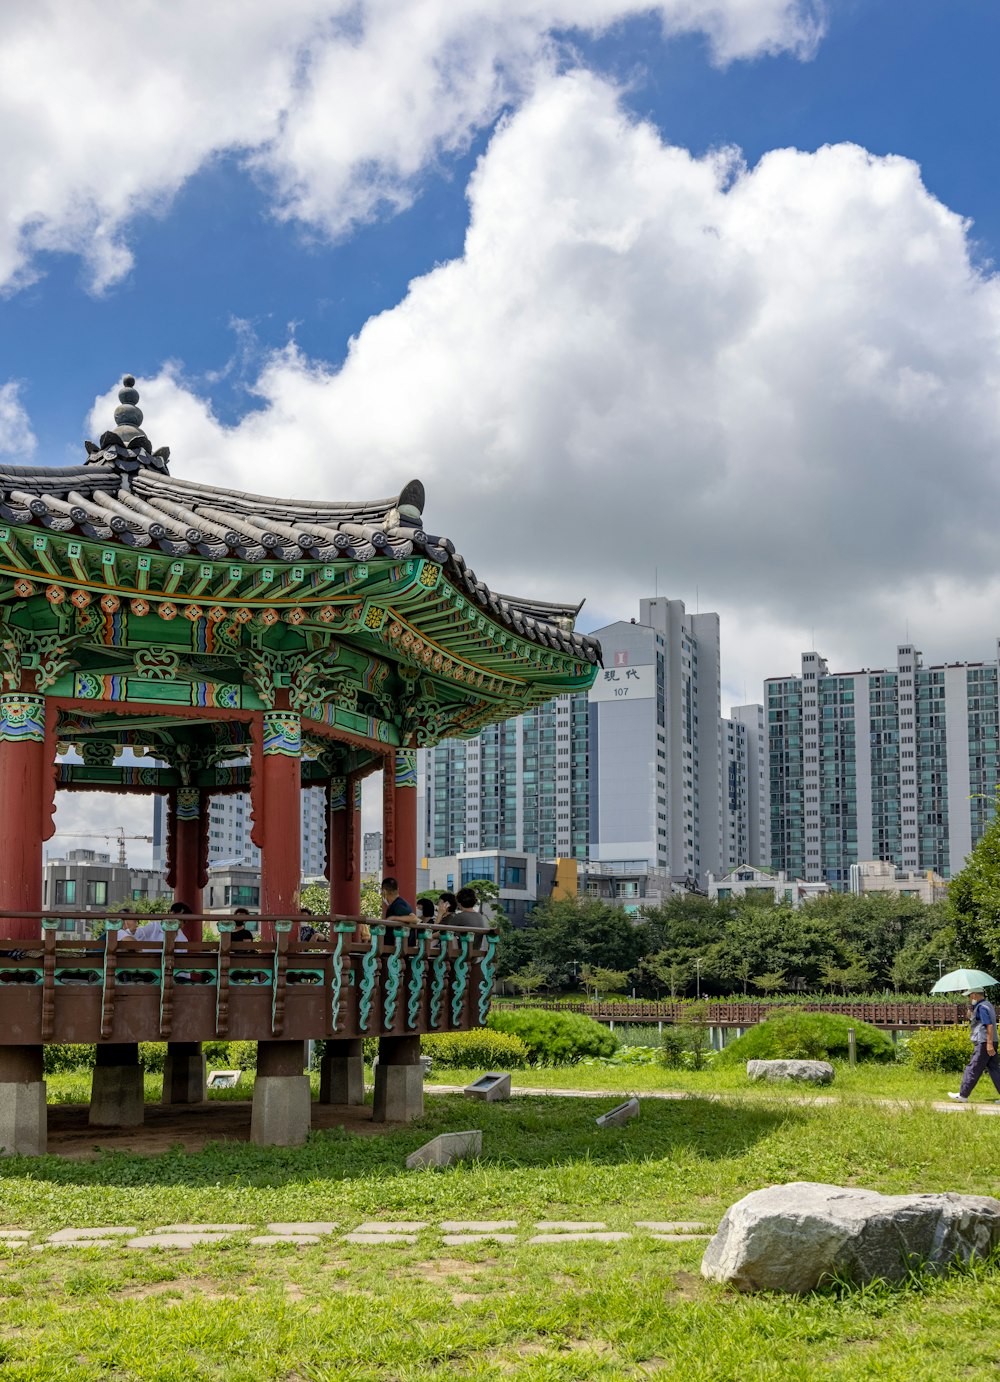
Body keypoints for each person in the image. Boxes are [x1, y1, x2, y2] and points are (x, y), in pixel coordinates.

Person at [949, 988, 1000, 1102]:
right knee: (994, 1069)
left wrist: (989, 1044)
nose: (969, 998)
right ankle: (963, 1094)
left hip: (984, 1042)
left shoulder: (981, 1007)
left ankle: (963, 1095)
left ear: (975, 995)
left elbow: (989, 1025)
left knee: (973, 1068)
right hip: (991, 1041)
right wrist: (971, 1013)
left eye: (969, 996)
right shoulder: (987, 1005)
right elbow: (978, 1021)